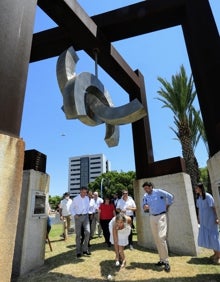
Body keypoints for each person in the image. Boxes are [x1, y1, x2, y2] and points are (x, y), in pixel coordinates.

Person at [142, 181, 174, 272]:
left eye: (147, 188)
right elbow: (144, 206)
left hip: (161, 216)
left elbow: (170, 197)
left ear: (151, 187)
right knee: (156, 239)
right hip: (152, 217)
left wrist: (167, 205)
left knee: (161, 237)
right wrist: (145, 207)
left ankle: (166, 261)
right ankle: (161, 260)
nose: (146, 190)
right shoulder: (145, 196)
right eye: (145, 189)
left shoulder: (159, 192)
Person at [195, 182, 220, 264]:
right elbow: (199, 209)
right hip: (204, 221)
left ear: (200, 188)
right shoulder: (198, 198)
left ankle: (218, 255)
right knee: (210, 237)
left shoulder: (208, 196)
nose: (195, 189)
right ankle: (215, 253)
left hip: (210, 220)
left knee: (214, 237)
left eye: (196, 188)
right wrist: (198, 218)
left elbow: (213, 207)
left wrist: (217, 218)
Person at [70, 186, 91, 258]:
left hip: (86, 217)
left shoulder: (87, 198)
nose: (85, 194)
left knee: (88, 232)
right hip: (78, 217)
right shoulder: (75, 199)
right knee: (78, 235)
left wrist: (90, 212)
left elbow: (88, 207)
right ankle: (78, 251)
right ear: (80, 191)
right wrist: (74, 214)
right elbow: (71, 208)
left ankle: (85, 249)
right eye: (83, 192)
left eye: (86, 192)